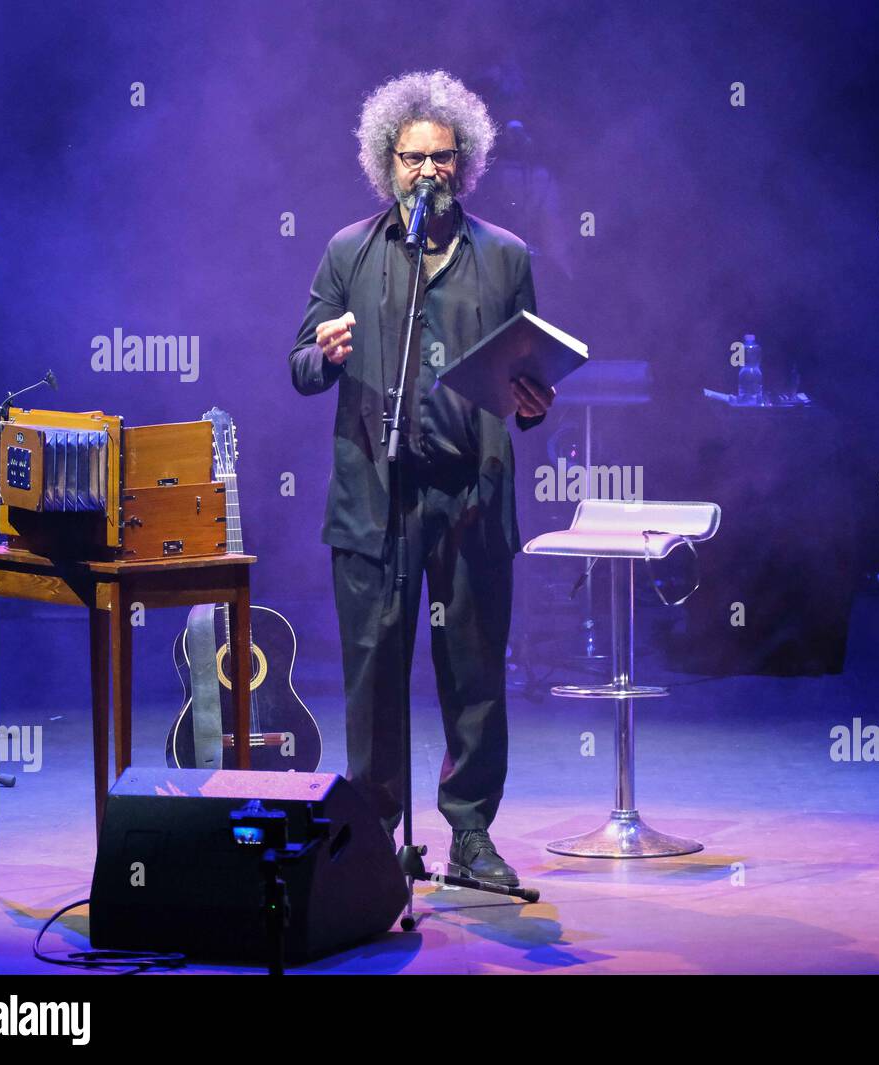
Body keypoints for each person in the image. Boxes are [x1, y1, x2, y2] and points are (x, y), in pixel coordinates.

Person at [287, 70, 555, 887]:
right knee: (374, 673)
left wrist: (534, 402)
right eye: (412, 158)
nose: (427, 171)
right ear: (386, 163)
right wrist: (323, 353)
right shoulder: (350, 250)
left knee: (473, 671)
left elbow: (530, 378)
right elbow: (299, 365)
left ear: (464, 163)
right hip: (377, 500)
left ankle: (471, 836)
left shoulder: (504, 256)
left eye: (442, 158)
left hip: (470, 496)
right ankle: (376, 835)